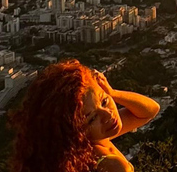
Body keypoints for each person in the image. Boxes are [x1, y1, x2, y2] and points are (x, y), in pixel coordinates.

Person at [10, 59, 160, 172]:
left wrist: (112, 93)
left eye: (104, 101)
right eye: (92, 118)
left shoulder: (92, 143)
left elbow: (149, 110)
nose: (107, 114)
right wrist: (108, 96)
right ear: (74, 132)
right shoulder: (111, 166)